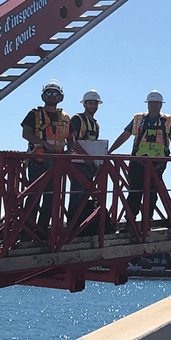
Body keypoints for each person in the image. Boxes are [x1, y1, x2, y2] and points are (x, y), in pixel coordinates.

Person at [111, 90, 171, 222]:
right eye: (151, 103)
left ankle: (146, 221)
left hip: (158, 163)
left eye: (156, 104)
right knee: (135, 192)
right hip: (139, 161)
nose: (153, 106)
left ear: (161, 105)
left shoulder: (167, 121)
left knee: (152, 193)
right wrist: (111, 150)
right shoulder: (139, 119)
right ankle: (130, 222)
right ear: (147, 104)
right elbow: (125, 135)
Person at [20, 81, 70, 239]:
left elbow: (71, 138)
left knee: (50, 198)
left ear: (60, 97)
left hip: (56, 164)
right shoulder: (34, 114)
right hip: (37, 162)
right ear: (43, 96)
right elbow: (26, 134)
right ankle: (27, 232)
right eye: (49, 93)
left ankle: (41, 232)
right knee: (34, 197)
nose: (52, 96)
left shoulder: (66, 117)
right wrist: (42, 143)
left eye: (55, 93)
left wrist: (71, 151)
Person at [68, 90, 104, 235]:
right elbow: (71, 140)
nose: (93, 106)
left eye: (95, 103)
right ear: (84, 104)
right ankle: (72, 227)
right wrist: (84, 156)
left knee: (84, 196)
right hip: (77, 164)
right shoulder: (77, 119)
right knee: (76, 195)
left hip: (89, 166)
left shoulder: (95, 124)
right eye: (90, 103)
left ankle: (80, 227)